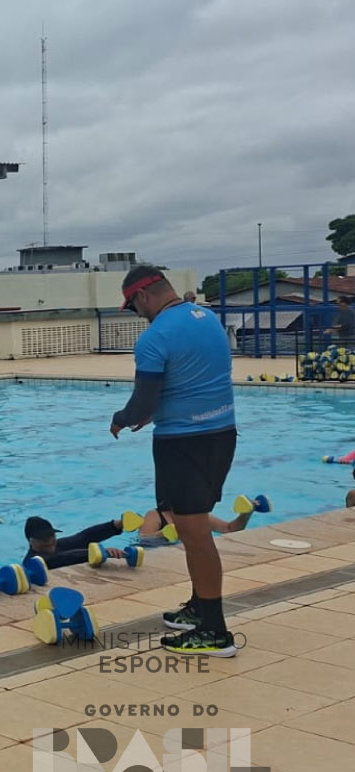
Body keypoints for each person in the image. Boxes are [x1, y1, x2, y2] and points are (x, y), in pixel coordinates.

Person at [110, 265, 238, 656]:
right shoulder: (207, 318)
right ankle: (200, 606)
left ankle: (214, 631)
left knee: (195, 536)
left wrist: (122, 418)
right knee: (190, 525)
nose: (138, 315)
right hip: (222, 435)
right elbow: (192, 378)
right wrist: (151, 410)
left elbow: (142, 402)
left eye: (134, 307)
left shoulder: (155, 337)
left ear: (142, 296)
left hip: (183, 444)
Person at [132, 500, 262, 548]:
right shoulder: (155, 515)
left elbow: (229, 529)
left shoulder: (196, 515)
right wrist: (163, 533)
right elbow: (143, 538)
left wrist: (245, 514)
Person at [22, 517, 133, 569]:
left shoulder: (56, 545)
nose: (50, 541)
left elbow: (83, 538)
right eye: (43, 538)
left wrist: (115, 525)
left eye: (51, 535)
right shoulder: (32, 562)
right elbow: (64, 558)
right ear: (31, 541)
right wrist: (101, 552)